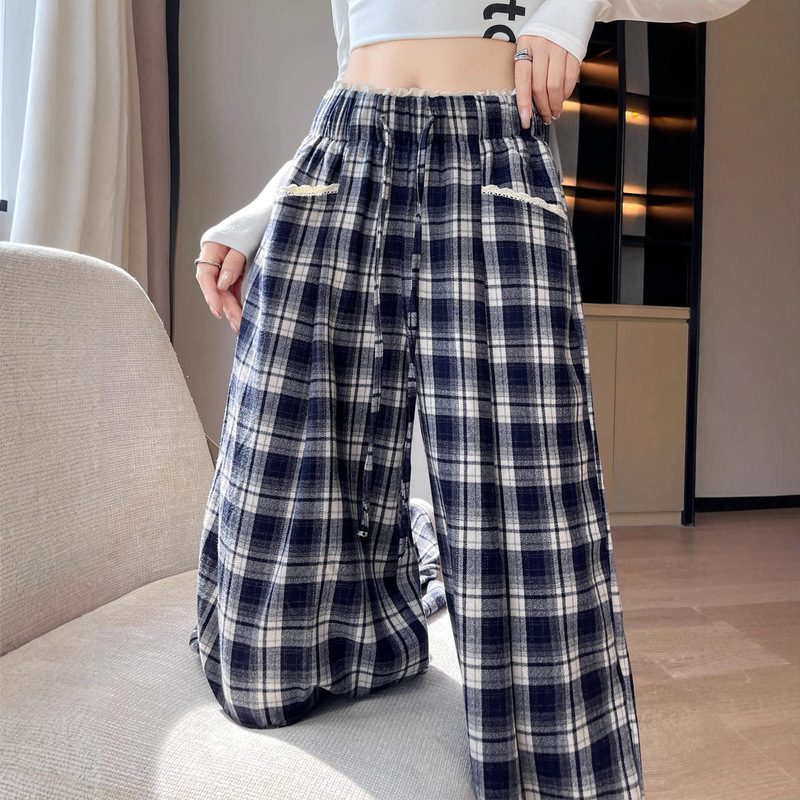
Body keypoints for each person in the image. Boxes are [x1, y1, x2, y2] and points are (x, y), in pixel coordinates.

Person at [189, 1, 750, 798]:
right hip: (341, 158)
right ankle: (372, 613)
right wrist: (256, 215)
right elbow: (352, 72)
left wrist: (570, 12)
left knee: (527, 504)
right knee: (275, 569)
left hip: (493, 158)